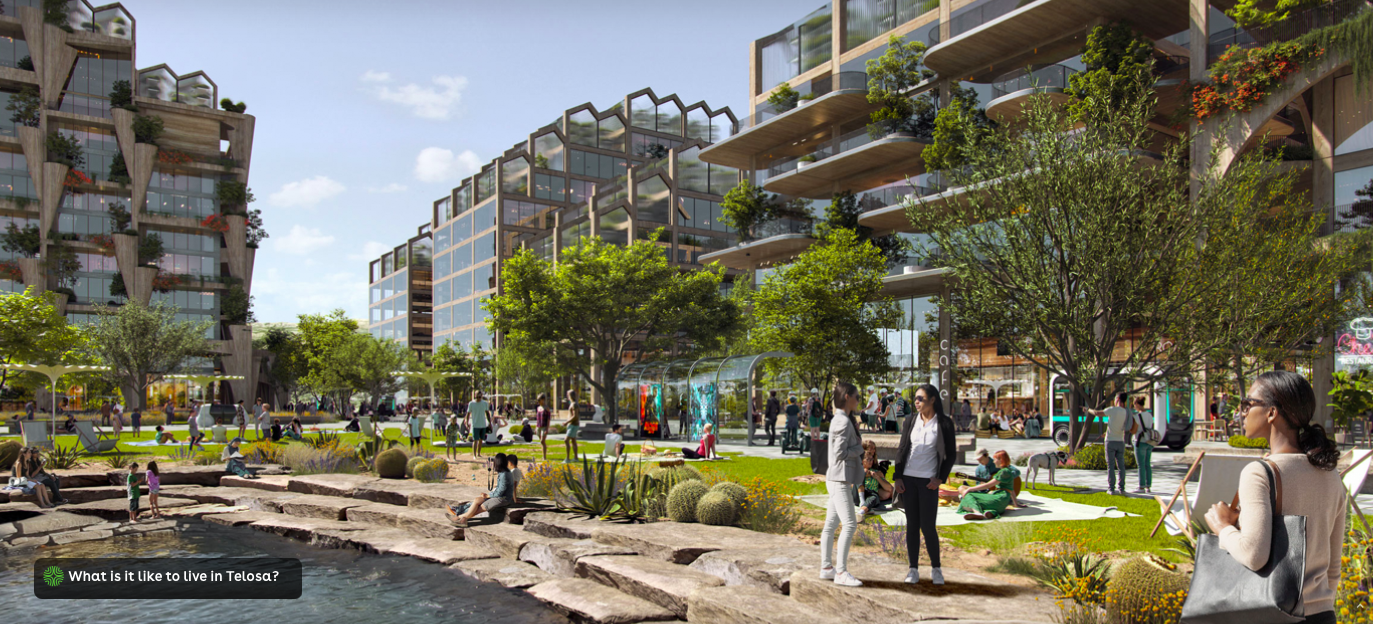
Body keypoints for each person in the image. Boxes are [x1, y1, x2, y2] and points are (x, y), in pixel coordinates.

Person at [1205, 371, 1343, 624]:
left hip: (1275, 612)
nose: (1241, 411)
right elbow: (1333, 565)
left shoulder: (1260, 472)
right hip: (1322, 614)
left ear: (1271, 413)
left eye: (1248, 404)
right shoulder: (1329, 472)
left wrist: (1222, 527)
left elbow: (1254, 555)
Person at [893, 383, 956, 586]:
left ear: (932, 400)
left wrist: (940, 478)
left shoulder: (944, 424)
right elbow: (902, 449)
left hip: (928, 482)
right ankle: (913, 569)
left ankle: (936, 569)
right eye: (916, 399)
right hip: (908, 480)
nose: (917, 402)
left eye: (921, 398)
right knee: (912, 526)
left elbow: (951, 454)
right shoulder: (910, 421)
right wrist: (898, 477)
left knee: (928, 527)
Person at [818, 381, 864, 588]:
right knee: (850, 524)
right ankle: (841, 572)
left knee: (830, 525)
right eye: (857, 396)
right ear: (847, 397)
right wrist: (859, 449)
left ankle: (827, 568)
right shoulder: (843, 422)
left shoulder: (839, 420)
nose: (858, 400)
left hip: (835, 478)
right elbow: (840, 454)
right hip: (839, 479)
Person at [1086, 393, 1137, 496]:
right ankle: (1122, 488)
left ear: (1117, 399)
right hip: (1120, 441)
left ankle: (1111, 489)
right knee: (1121, 466)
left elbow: (1096, 413)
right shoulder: (1126, 412)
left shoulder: (1112, 410)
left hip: (1110, 441)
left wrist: (1087, 409)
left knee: (1111, 466)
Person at [445, 452, 514, 527]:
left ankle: (458, 518)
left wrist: (488, 495)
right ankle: (460, 515)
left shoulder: (504, 475)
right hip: (498, 496)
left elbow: (500, 493)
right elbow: (499, 490)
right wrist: (488, 495)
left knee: (478, 508)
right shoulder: (503, 472)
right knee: (477, 500)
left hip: (502, 499)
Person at [957, 450, 1021, 520]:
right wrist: (1016, 504)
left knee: (968, 495)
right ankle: (991, 512)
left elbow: (988, 485)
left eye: (995, 459)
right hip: (1002, 503)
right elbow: (1011, 490)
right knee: (968, 498)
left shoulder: (1003, 472)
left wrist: (970, 489)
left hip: (999, 499)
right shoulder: (1007, 470)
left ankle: (977, 512)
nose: (994, 461)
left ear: (1000, 460)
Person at [858, 441, 894, 520]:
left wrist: (878, 475)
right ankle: (862, 501)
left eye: (874, 448)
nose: (873, 450)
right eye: (871, 448)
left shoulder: (874, 462)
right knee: (861, 474)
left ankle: (863, 509)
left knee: (888, 493)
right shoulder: (858, 461)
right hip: (859, 489)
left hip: (872, 488)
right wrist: (866, 472)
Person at [1132, 397, 1155, 493]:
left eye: (1134, 404)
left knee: (1140, 465)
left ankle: (1141, 486)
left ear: (1137, 404)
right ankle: (1148, 486)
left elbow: (1134, 430)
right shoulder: (1149, 415)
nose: (1134, 407)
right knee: (1147, 464)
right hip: (1149, 441)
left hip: (1140, 441)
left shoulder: (1137, 416)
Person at [468, 390, 491, 459]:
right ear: (475, 395)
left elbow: (487, 413)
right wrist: (466, 421)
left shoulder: (484, 403)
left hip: (483, 424)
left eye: (480, 395)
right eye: (477, 395)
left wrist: (489, 422)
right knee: (475, 440)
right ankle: (474, 455)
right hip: (475, 424)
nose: (479, 397)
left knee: (481, 440)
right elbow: (468, 413)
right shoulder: (471, 403)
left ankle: (478, 453)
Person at [563, 389, 581, 462]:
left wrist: (566, 422)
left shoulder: (574, 404)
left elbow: (575, 416)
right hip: (572, 424)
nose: (567, 396)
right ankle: (576, 458)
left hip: (573, 425)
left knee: (566, 440)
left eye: (568, 395)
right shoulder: (572, 403)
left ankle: (567, 458)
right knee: (573, 441)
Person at [534, 393, 552, 460]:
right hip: (539, 426)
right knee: (542, 442)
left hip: (544, 426)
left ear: (543, 399)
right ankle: (543, 455)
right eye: (538, 400)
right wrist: (536, 427)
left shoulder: (546, 408)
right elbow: (537, 419)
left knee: (542, 441)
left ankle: (544, 457)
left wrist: (547, 428)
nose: (538, 401)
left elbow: (549, 419)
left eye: (539, 400)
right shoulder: (538, 408)